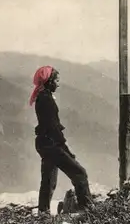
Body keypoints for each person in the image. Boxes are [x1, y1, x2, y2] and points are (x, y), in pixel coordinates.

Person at [29, 65, 94, 214]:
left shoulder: (42, 96)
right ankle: (87, 210)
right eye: (57, 80)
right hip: (52, 144)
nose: (58, 83)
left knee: (48, 180)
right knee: (79, 173)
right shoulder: (46, 99)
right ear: (50, 81)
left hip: (44, 143)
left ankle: (43, 213)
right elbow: (52, 127)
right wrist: (65, 148)